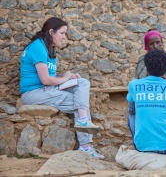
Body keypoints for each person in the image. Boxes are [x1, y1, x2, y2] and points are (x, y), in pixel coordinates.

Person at [19, 17, 105, 159]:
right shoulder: (37, 47)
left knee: (82, 82)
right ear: (52, 32)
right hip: (34, 93)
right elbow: (45, 79)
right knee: (79, 103)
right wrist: (64, 78)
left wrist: (66, 77)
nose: (64, 37)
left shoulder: (49, 49)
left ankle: (83, 120)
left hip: (46, 90)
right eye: (62, 33)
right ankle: (86, 146)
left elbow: (49, 75)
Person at [127, 49, 166, 156]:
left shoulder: (134, 85)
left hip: (142, 147)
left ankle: (143, 142)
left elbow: (131, 111)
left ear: (146, 67)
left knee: (131, 117)